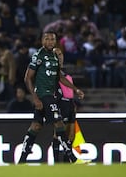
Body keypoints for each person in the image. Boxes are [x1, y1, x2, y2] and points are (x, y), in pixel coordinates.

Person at [18, 31, 85, 164]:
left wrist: (75, 89)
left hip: (51, 95)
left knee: (36, 127)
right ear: (42, 41)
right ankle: (72, 157)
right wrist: (35, 98)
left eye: (52, 40)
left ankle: (21, 160)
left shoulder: (54, 56)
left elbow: (60, 77)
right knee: (59, 123)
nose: (50, 42)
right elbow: (28, 78)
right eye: (47, 39)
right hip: (44, 95)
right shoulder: (39, 55)